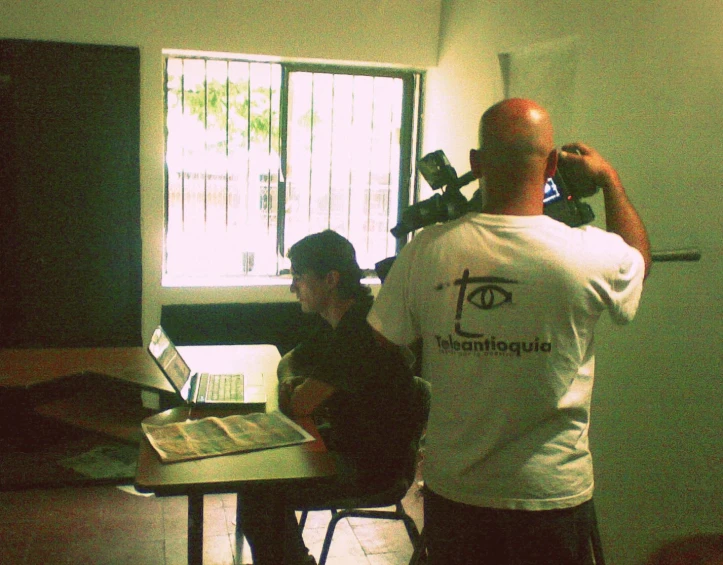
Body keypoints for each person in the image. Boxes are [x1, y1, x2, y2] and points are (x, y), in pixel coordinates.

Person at [367, 98, 652, 564]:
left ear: (476, 164)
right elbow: (639, 263)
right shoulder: (591, 254)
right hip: (552, 496)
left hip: (456, 492)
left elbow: (385, 343)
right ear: (553, 164)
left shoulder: (425, 253)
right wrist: (609, 181)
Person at [237, 229, 417, 565]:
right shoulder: (346, 317)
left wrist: (297, 390)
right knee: (257, 482)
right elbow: (293, 361)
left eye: (299, 277)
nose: (293, 288)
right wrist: (297, 383)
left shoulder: (358, 331)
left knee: (258, 492)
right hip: (351, 443)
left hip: (371, 466)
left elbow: (301, 404)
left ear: (330, 279)